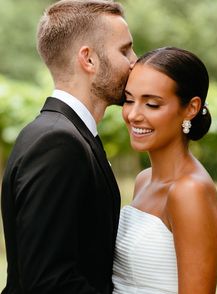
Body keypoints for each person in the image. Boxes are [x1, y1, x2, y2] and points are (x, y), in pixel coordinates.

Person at [1, 0, 136, 293]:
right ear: (88, 59)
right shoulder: (58, 143)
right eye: (125, 50)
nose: (134, 61)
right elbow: (50, 283)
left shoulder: (65, 133)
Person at [112, 47, 217, 294]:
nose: (133, 115)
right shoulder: (144, 180)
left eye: (152, 104)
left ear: (191, 108)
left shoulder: (190, 191)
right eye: (129, 100)